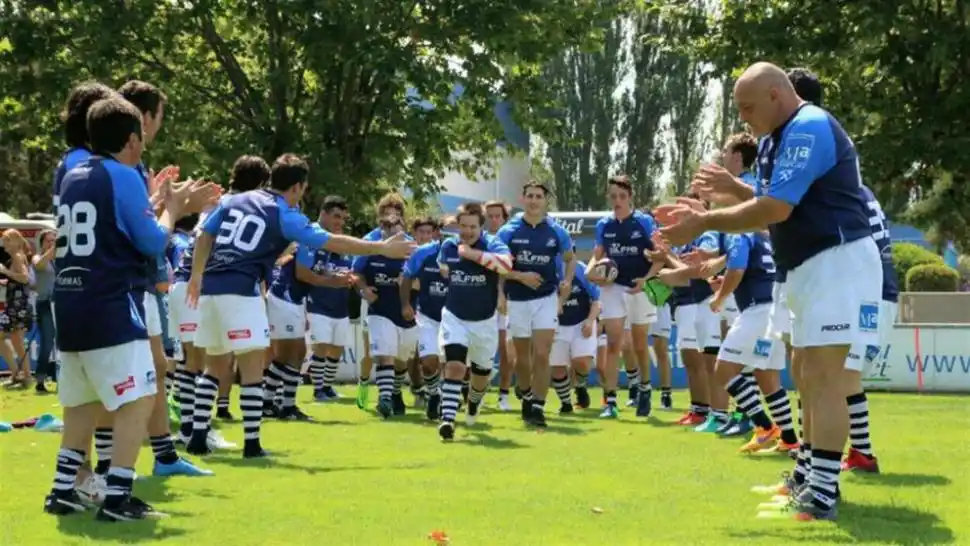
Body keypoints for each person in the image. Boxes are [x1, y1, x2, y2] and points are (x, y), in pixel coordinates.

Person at [659, 62, 882, 521]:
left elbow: (775, 208)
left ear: (776, 95)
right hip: (803, 266)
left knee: (825, 378)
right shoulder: (774, 140)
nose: (743, 119)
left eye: (747, 107)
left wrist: (703, 221)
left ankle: (822, 493)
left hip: (837, 262)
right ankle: (808, 476)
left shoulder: (809, 126)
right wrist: (724, 196)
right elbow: (767, 205)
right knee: (806, 374)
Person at [185, 154, 415, 457]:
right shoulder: (284, 213)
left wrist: (197, 275)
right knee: (252, 368)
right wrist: (382, 247)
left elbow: (205, 233)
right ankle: (252, 445)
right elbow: (332, 241)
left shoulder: (233, 200)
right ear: (296, 187)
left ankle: (197, 438)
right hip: (242, 291)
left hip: (210, 289)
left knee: (213, 366)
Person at [44, 96, 201, 520]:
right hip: (109, 299)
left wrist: (155, 203)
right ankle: (117, 498)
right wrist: (173, 210)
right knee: (141, 397)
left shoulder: (74, 173)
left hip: (70, 300)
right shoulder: (124, 173)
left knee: (81, 403)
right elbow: (151, 242)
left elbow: (109, 224)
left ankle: (63, 490)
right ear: (133, 139)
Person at [119, 79, 213, 478]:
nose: (159, 126)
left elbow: (137, 214)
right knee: (128, 377)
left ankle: (164, 456)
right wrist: (176, 206)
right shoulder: (120, 163)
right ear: (145, 117)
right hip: (129, 283)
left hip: (143, 282)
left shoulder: (131, 164)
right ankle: (105, 469)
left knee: (158, 367)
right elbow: (144, 232)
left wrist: (161, 198)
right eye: (159, 117)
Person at [496, 182, 575, 427]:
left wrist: (567, 282)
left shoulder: (556, 231)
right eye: (530, 196)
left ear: (545, 200)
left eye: (538, 196)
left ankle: (538, 406)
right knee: (522, 359)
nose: (534, 200)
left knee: (542, 353)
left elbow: (570, 259)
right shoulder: (508, 231)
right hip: (517, 300)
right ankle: (527, 396)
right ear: (523, 199)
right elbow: (496, 266)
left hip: (546, 298)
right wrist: (514, 282)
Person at [436, 202, 512, 439]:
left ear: (481, 227)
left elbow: (507, 265)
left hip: (484, 321)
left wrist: (473, 255)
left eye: (472, 227)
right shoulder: (448, 246)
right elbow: (443, 268)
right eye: (463, 226)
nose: (467, 231)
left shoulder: (492, 243)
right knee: (455, 366)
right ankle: (448, 420)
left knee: (481, 375)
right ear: (457, 225)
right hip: (454, 316)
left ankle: (474, 401)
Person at [585, 175, 658, 419]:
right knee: (614, 344)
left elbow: (661, 255)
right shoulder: (604, 225)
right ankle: (611, 401)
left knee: (639, 344)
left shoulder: (644, 222)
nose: (617, 201)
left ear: (630, 198)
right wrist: (591, 271)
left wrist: (647, 280)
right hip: (612, 287)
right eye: (613, 196)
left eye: (622, 196)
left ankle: (645, 388)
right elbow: (598, 255)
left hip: (638, 287)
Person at [352, 214, 418, 418]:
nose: (395, 236)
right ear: (382, 231)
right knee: (383, 354)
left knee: (401, 360)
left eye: (398, 232)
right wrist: (363, 289)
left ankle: (395, 392)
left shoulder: (413, 251)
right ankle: (384, 399)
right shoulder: (370, 248)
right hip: (379, 311)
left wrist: (410, 284)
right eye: (389, 232)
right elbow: (356, 273)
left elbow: (425, 280)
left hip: (406, 314)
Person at [303, 196, 355, 402]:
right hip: (317, 303)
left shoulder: (343, 244)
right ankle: (318, 390)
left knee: (337, 348)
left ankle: (327, 386)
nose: (339, 222)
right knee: (321, 346)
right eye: (336, 216)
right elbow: (307, 271)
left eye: (342, 218)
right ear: (323, 214)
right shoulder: (312, 237)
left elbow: (349, 270)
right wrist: (332, 276)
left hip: (340, 305)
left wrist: (349, 278)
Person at [401, 221, 449, 420]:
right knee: (428, 362)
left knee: (453, 365)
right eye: (447, 231)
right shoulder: (423, 253)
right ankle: (434, 394)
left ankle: (445, 397)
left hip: (455, 317)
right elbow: (406, 277)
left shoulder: (468, 254)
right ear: (438, 233)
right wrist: (405, 304)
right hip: (427, 316)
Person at [550, 258, 599, 413]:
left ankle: (580, 385)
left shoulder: (582, 270)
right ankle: (566, 403)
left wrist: (590, 321)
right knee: (557, 368)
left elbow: (596, 300)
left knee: (582, 362)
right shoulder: (548, 267)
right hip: (556, 323)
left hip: (581, 321)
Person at [484, 200, 516, 411]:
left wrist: (501, 293)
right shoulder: (480, 240)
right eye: (490, 216)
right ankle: (476, 391)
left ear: (504, 219)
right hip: (481, 301)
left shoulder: (510, 240)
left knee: (506, 351)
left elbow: (507, 270)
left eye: (498, 216)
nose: (494, 220)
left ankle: (503, 395)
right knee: (482, 350)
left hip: (507, 301)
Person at [0, 229, 35, 388]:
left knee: (17, 342)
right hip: (15, 304)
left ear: (14, 241)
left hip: (18, 305)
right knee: (16, 342)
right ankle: (18, 374)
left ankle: (24, 376)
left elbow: (25, 278)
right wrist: (6, 281)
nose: (3, 244)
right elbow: (19, 280)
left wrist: (5, 271)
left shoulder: (17, 256)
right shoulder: (18, 256)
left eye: (6, 240)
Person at [33, 230, 58, 393]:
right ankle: (40, 380)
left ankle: (61, 377)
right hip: (45, 304)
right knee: (47, 343)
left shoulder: (59, 260)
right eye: (48, 241)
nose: (51, 243)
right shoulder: (37, 257)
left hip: (60, 304)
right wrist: (54, 248)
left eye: (53, 240)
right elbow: (39, 265)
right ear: (41, 243)